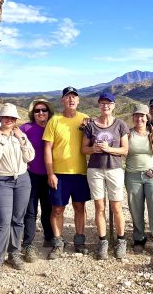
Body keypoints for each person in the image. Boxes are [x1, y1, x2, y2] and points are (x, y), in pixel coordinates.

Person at [0, 103, 35, 280]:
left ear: (15, 120)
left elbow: (30, 157)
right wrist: (0, 138)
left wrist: (21, 139)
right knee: (3, 222)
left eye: (12, 118)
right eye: (6, 117)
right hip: (1, 181)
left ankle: (14, 253)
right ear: (1, 118)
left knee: (17, 220)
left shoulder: (19, 135)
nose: (9, 120)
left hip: (22, 179)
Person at [43, 86, 91, 260]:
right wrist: (50, 173)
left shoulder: (85, 119)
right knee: (57, 209)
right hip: (59, 173)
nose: (71, 100)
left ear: (78, 101)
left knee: (80, 207)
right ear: (62, 100)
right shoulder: (54, 121)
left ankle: (79, 241)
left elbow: (95, 140)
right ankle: (57, 243)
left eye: (74, 97)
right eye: (67, 97)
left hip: (80, 173)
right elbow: (47, 149)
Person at [82, 93, 129, 260]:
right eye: (102, 103)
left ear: (114, 105)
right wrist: (92, 149)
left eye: (109, 103)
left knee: (117, 207)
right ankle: (103, 241)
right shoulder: (91, 126)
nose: (105, 106)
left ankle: (121, 240)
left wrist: (109, 149)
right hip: (95, 169)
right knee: (99, 207)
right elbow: (84, 149)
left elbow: (125, 150)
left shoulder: (120, 125)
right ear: (99, 105)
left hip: (114, 169)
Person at [125, 104, 153, 255]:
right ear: (133, 118)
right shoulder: (127, 134)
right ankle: (139, 238)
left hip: (152, 177)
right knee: (135, 209)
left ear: (147, 118)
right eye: (137, 115)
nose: (139, 118)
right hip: (132, 176)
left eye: (142, 116)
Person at [20, 99, 55, 263]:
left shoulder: (54, 127)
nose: (41, 113)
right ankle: (28, 244)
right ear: (32, 114)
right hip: (31, 175)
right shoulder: (25, 129)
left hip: (50, 174)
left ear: (49, 112)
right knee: (31, 210)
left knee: (48, 208)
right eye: (37, 111)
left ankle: (49, 237)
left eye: (44, 110)